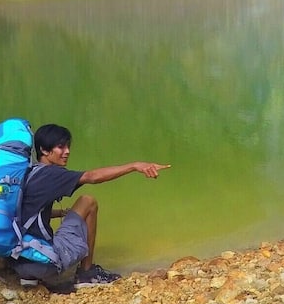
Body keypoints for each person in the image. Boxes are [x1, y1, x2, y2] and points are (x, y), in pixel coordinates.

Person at [10, 123, 170, 293]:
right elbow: (92, 177)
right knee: (88, 202)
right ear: (44, 150)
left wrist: (61, 213)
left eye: (68, 146)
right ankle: (86, 274)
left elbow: (29, 213)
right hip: (41, 263)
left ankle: (30, 279)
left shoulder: (27, 174)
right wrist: (134, 166)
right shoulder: (52, 174)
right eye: (61, 147)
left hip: (18, 259)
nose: (67, 151)